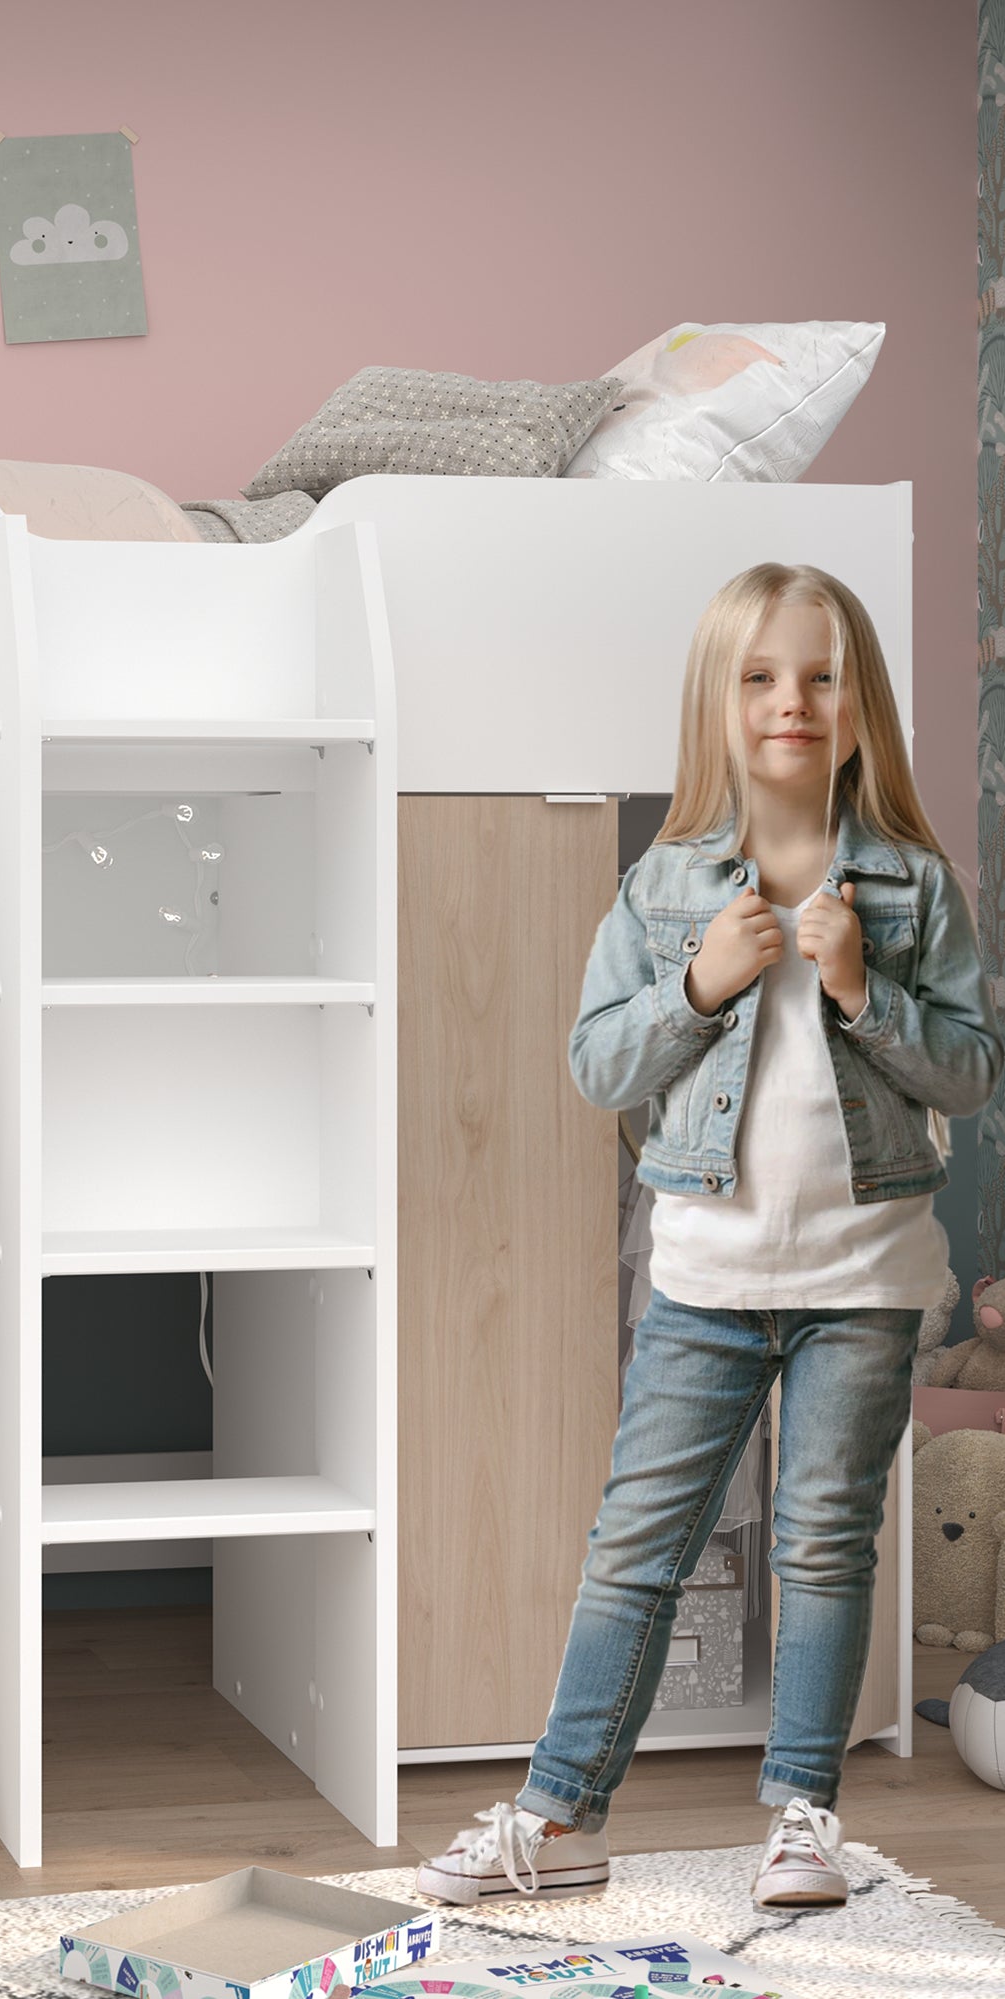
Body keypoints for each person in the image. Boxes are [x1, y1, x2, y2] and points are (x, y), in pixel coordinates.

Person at [416, 563, 1003, 1912]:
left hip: (864, 1284)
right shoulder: (667, 884)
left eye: (821, 676)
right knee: (638, 1546)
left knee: (824, 1545)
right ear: (719, 703)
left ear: (859, 707)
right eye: (760, 677)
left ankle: (803, 1817)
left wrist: (860, 990)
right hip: (704, 1281)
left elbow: (972, 1073)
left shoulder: (913, 886)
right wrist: (697, 983)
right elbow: (598, 1067)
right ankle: (560, 1815)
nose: (791, 701)